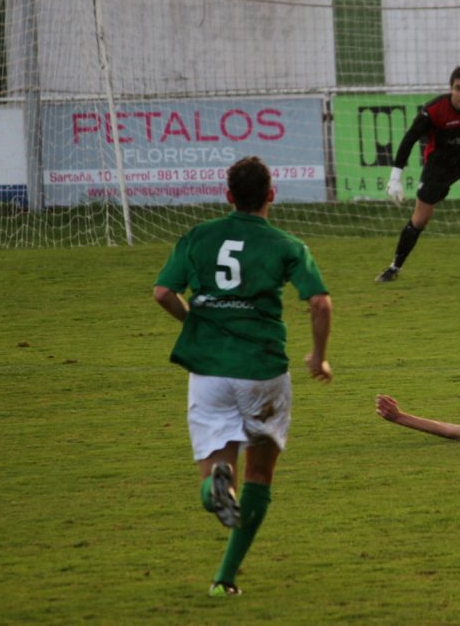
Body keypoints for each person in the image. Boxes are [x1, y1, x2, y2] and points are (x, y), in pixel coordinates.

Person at [153, 156, 332, 598]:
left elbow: (163, 292)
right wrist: (318, 357)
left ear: (228, 195)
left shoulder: (199, 235)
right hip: (263, 372)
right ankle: (224, 578)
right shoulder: (286, 244)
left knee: (216, 472)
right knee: (258, 475)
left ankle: (214, 489)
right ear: (271, 194)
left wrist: (194, 320)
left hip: (209, 373)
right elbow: (320, 303)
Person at [376, 65, 460, 282]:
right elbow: (409, 139)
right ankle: (394, 267)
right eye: (458, 88)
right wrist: (395, 177)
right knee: (420, 219)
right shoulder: (434, 111)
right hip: (440, 166)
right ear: (451, 89)